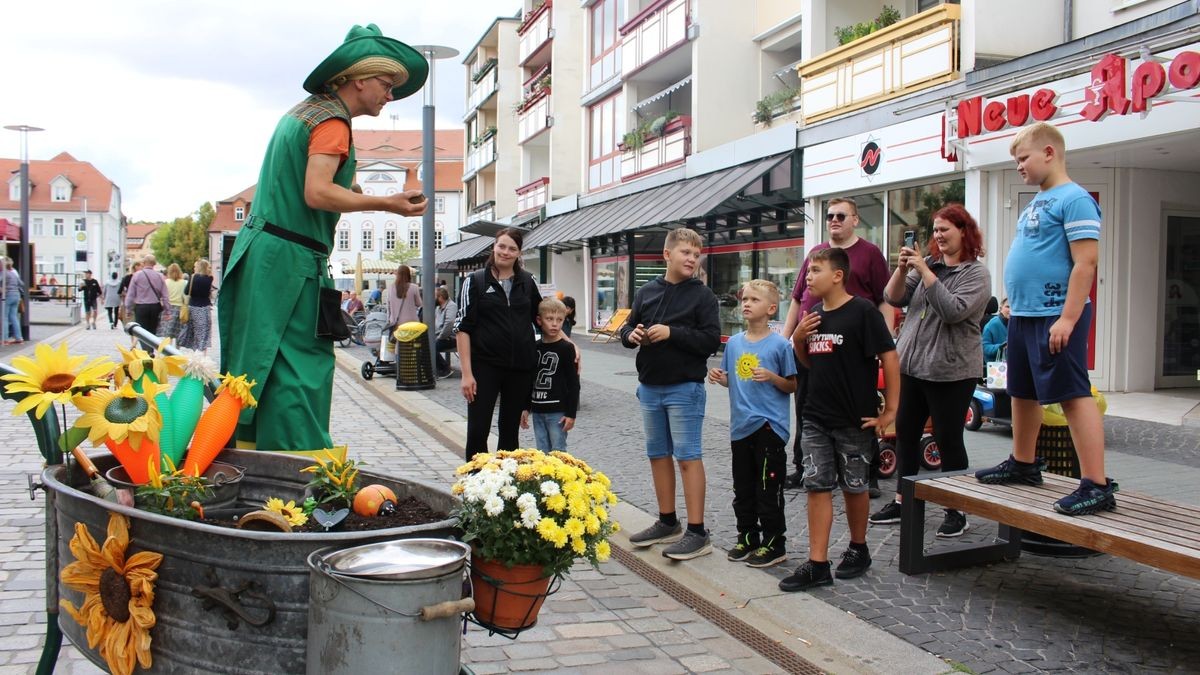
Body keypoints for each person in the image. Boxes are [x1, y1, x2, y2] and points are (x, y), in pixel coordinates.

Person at [218, 24, 428, 451]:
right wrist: (388, 204)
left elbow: (317, 184)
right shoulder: (333, 121)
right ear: (358, 78)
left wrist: (357, 191)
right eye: (387, 85)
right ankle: (302, 474)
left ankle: (246, 458)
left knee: (259, 364)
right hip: (290, 261)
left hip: (268, 254)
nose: (389, 96)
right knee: (302, 366)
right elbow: (316, 192)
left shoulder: (305, 114)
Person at [975, 122, 1116, 515]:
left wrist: (1068, 319)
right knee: (1021, 391)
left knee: (1072, 394)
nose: (1019, 166)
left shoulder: (1075, 199)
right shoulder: (1038, 201)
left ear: (1049, 153)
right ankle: (1023, 463)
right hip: (1022, 315)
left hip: (1056, 315)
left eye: (1024, 158)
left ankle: (1096, 484)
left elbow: (1086, 263)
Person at [868, 205, 992, 537]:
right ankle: (902, 499)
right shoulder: (929, 265)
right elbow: (892, 298)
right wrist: (901, 269)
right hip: (912, 365)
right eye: (935, 230)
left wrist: (925, 271)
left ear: (963, 231)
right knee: (907, 433)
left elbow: (954, 311)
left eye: (945, 230)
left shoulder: (975, 274)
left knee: (948, 438)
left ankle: (956, 508)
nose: (938, 236)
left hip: (952, 370)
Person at [779, 247, 898, 592]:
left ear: (838, 276)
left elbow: (889, 359)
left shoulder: (862, 312)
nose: (808, 277)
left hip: (854, 418)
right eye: (808, 270)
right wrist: (799, 339)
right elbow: (809, 362)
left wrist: (890, 410)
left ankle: (858, 548)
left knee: (855, 486)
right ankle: (818, 563)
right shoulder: (813, 314)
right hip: (815, 414)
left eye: (816, 270)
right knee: (816, 485)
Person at [620, 227, 721, 561]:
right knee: (657, 455)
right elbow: (626, 326)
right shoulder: (646, 291)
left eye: (696, 254)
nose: (692, 259)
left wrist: (672, 333)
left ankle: (697, 531)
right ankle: (667, 522)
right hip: (649, 387)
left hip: (684, 388)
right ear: (667, 255)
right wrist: (630, 334)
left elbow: (710, 340)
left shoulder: (702, 296)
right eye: (686, 253)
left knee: (688, 457)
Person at [781, 198, 892, 492]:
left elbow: (885, 300)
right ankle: (806, 467)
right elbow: (797, 298)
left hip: (851, 348)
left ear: (855, 219)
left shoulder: (869, 253)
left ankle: (865, 475)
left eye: (841, 215)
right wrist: (787, 341)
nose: (834, 220)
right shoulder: (817, 253)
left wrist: (885, 344)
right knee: (807, 408)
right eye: (829, 215)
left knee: (857, 412)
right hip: (811, 343)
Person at [707, 280, 797, 568]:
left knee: (768, 488)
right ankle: (747, 536)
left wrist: (772, 377)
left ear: (771, 309)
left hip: (769, 427)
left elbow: (792, 385)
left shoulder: (781, 345)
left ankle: (774, 542)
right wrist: (722, 380)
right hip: (740, 426)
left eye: (754, 300)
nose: (746, 304)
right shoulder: (733, 343)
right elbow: (736, 382)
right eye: (744, 299)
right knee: (742, 487)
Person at [455, 228, 544, 458]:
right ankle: (475, 486)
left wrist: (569, 344)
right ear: (493, 247)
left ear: (519, 253)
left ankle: (503, 488)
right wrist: (467, 373)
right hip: (485, 366)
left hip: (519, 367)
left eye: (512, 248)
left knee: (509, 433)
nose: (505, 252)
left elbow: (543, 318)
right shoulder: (475, 281)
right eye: (502, 246)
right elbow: (463, 328)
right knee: (477, 431)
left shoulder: (527, 281)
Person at [520, 297, 580, 452]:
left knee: (558, 451)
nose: (554, 324)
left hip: (557, 412)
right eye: (549, 319)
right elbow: (529, 380)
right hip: (538, 410)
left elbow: (573, 383)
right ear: (539, 321)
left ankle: (559, 477)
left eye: (559, 320)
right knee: (542, 451)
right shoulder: (534, 347)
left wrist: (571, 414)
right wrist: (525, 408)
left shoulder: (566, 348)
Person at [124, 254, 170, 336]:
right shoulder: (159, 276)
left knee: (142, 332)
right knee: (152, 331)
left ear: (143, 263)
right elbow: (165, 295)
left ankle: (147, 349)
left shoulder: (137, 275)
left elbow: (131, 294)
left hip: (141, 307)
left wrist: (128, 309)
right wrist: (167, 311)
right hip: (155, 306)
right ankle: (149, 348)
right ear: (154, 264)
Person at [177, 259, 215, 353]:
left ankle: (194, 352)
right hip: (204, 307)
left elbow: (186, 291)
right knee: (203, 331)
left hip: (193, 306)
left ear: (198, 267)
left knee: (192, 330)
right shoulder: (209, 278)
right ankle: (203, 354)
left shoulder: (193, 277)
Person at [433, 286, 457, 377]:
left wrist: (439, 337)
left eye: (435, 296)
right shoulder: (438, 308)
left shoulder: (451, 306)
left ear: (440, 297)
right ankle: (439, 368)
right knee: (426, 345)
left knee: (432, 347)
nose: (433, 298)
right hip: (442, 336)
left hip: (450, 338)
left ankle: (445, 369)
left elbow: (450, 324)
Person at [160, 263, 187, 339]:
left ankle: (168, 349)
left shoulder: (166, 282)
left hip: (168, 309)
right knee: (179, 332)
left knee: (168, 333)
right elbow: (186, 297)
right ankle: (177, 350)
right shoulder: (184, 282)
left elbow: (162, 296)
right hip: (180, 309)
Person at [2, 258, 24, 344]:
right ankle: (19, 338)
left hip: (8, 296)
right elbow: (21, 284)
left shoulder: (4, 273)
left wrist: (5, 288)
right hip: (16, 296)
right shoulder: (14, 273)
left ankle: (5, 339)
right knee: (14, 317)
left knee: (4, 317)